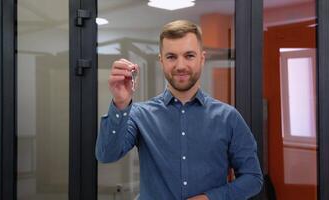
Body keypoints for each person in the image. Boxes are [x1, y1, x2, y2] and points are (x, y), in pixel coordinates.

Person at [96, 20, 263, 200]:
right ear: (161, 60)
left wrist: (211, 198)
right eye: (171, 57)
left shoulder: (229, 118)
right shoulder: (138, 115)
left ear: (202, 58)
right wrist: (120, 103)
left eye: (189, 55)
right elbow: (106, 154)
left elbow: (253, 178)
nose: (180, 65)